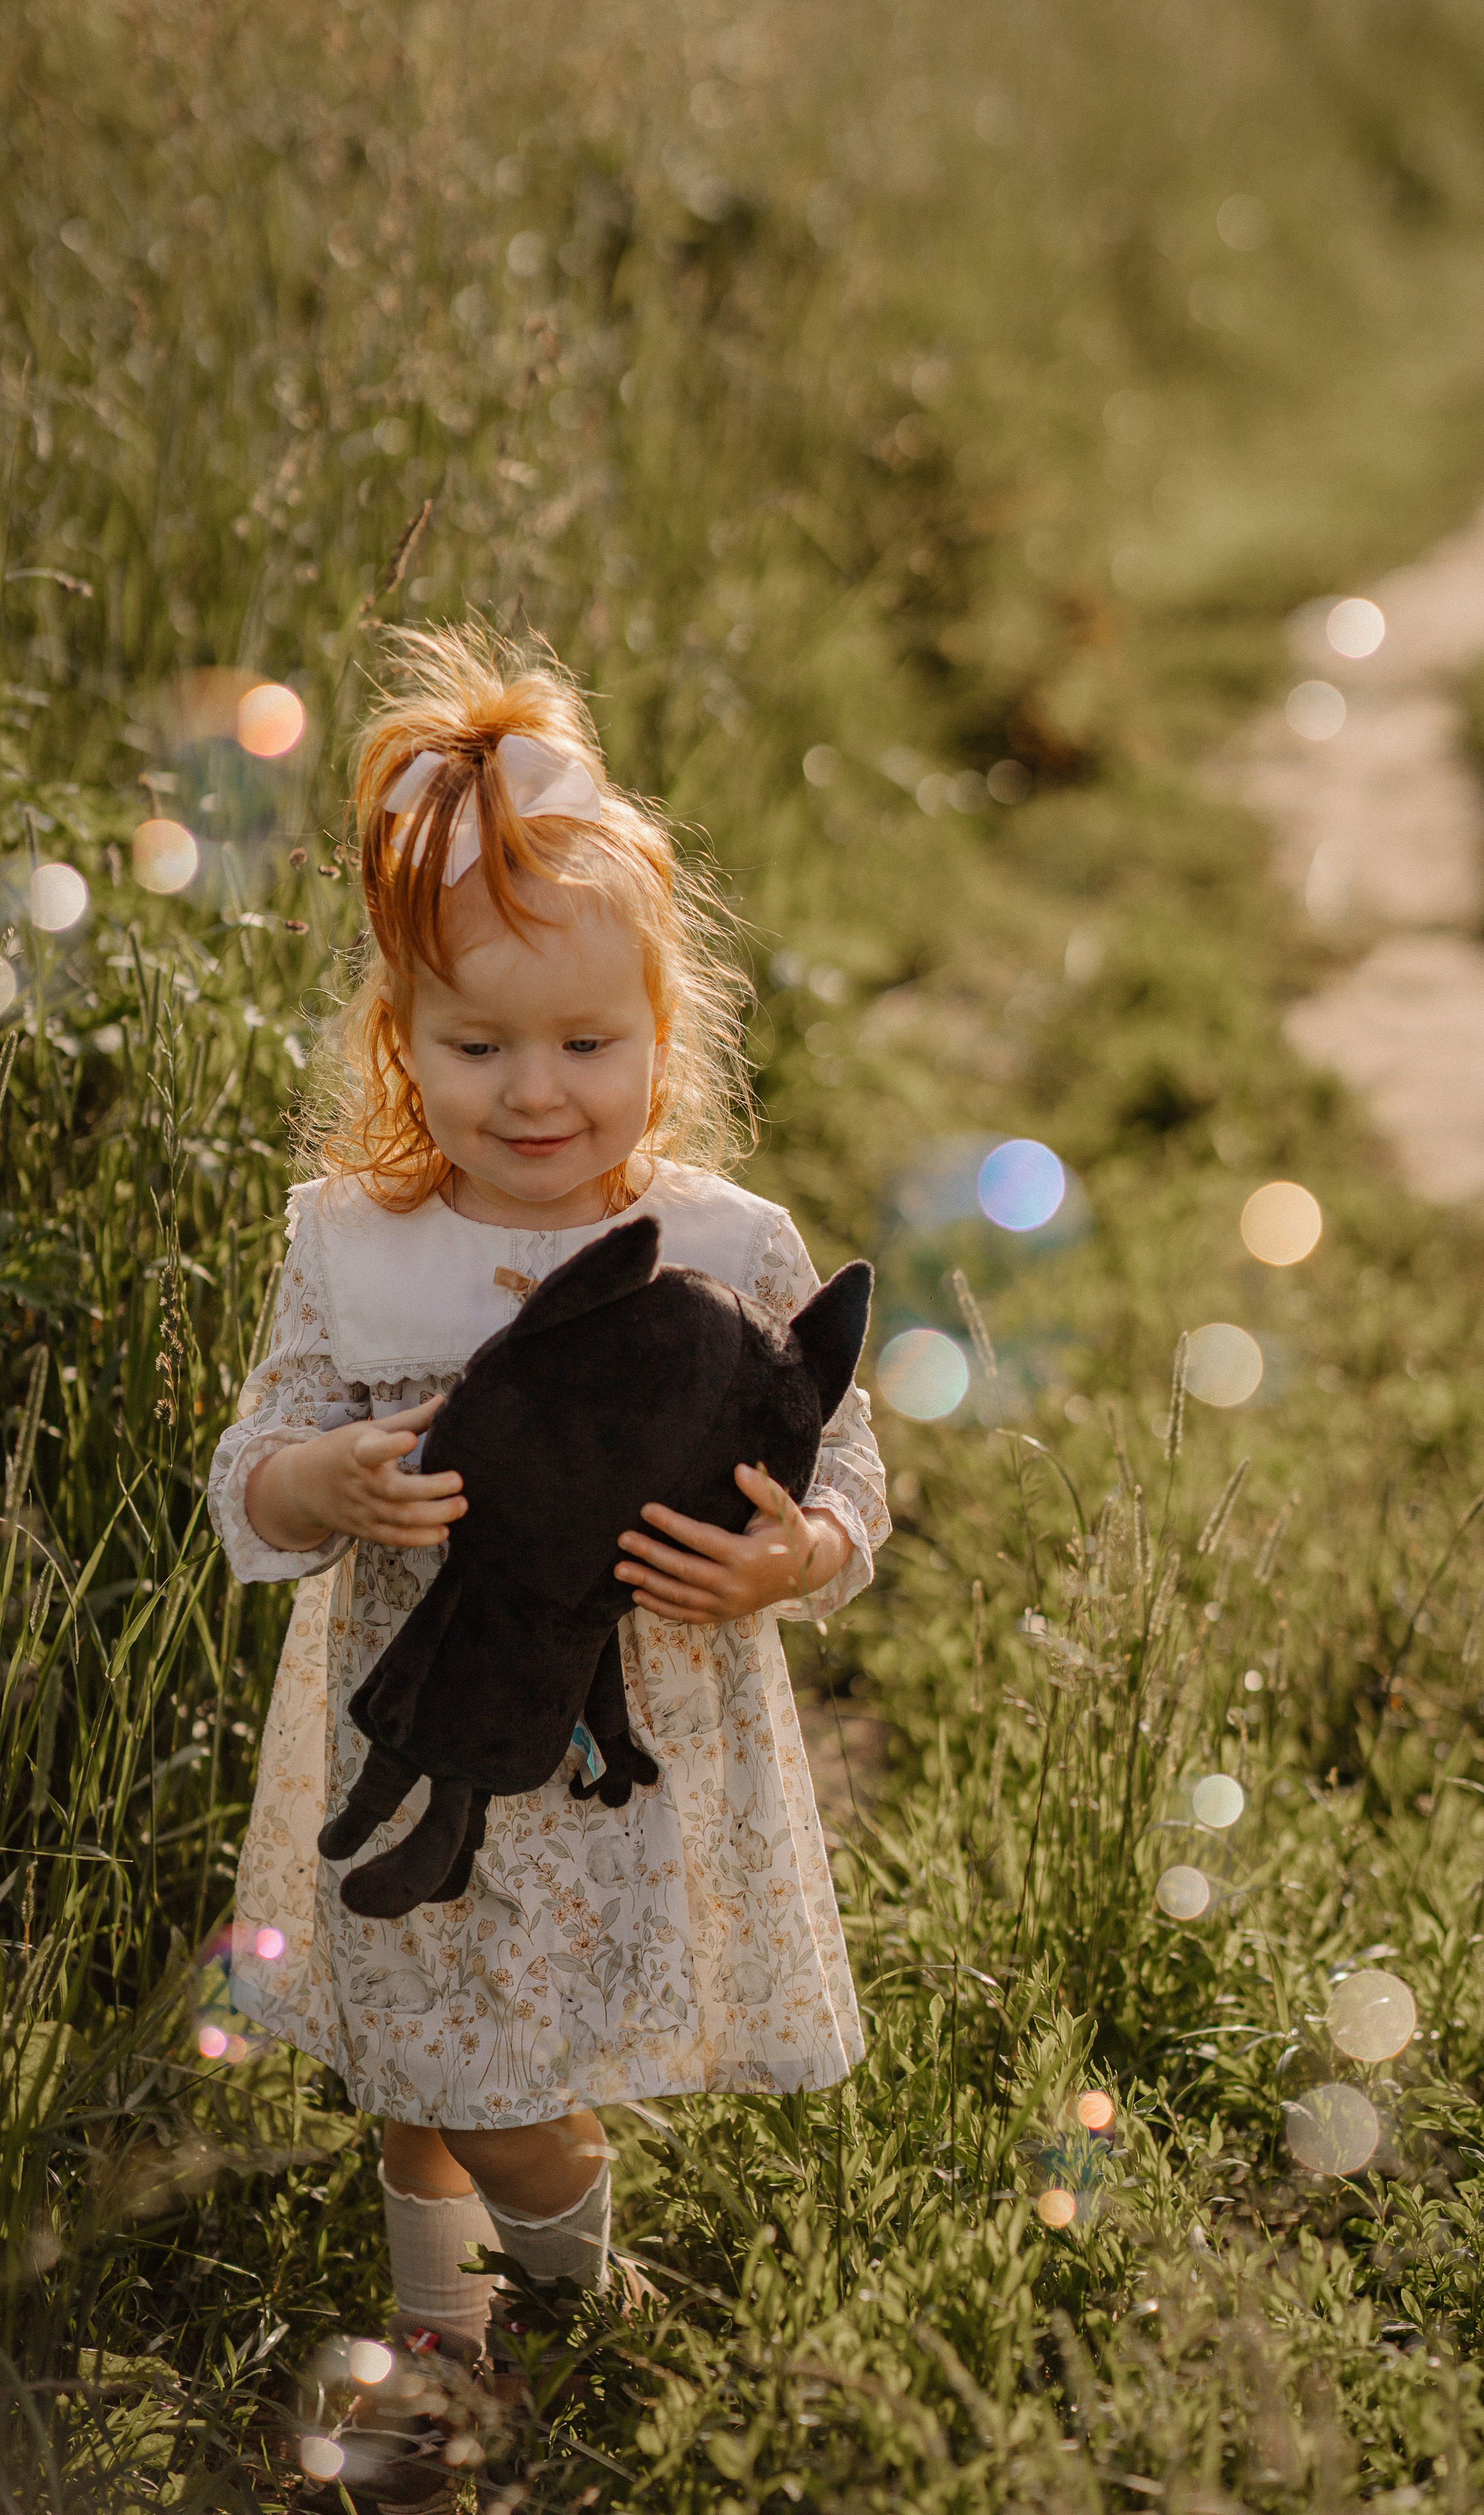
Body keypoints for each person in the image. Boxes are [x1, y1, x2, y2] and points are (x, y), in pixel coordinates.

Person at [208, 623, 888, 2389]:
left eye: (586, 1041)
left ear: (663, 1038)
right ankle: (444, 2332)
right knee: (415, 2049)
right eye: (479, 1043)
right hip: (415, 1702)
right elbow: (251, 1471)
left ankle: (581, 2282)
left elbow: (848, 1459)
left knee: (502, 2071)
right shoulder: (356, 1247)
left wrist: (792, 1555)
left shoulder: (726, 1251)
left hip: (624, 1745)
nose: (535, 1090)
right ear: (402, 1042)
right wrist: (325, 1481)